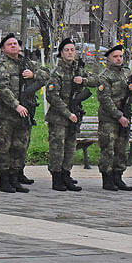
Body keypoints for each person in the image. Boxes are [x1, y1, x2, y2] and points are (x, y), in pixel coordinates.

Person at [0, 33, 49, 193]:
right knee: (3, 148)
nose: (14, 46)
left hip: (24, 113)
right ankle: (4, 181)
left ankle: (15, 179)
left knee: (20, 147)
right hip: (5, 114)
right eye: (10, 44)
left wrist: (34, 75)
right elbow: (1, 88)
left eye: (16, 43)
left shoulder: (28, 63)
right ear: (3, 49)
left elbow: (47, 74)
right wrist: (16, 105)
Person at [45, 39, 93, 192]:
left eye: (73, 49)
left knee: (70, 148)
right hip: (59, 118)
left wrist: (83, 80)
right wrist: (67, 113)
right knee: (57, 149)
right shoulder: (57, 73)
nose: (70, 52)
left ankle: (66, 176)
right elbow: (52, 96)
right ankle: (57, 179)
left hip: (74, 116)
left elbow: (96, 80)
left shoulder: (79, 70)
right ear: (61, 53)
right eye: (67, 50)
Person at [96, 45, 132, 191]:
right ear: (109, 59)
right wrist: (119, 116)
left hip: (125, 115)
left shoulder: (127, 73)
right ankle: (107, 179)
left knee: (122, 148)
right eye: (115, 57)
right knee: (108, 149)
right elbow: (105, 100)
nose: (119, 59)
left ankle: (118, 177)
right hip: (109, 119)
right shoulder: (104, 77)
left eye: (120, 56)